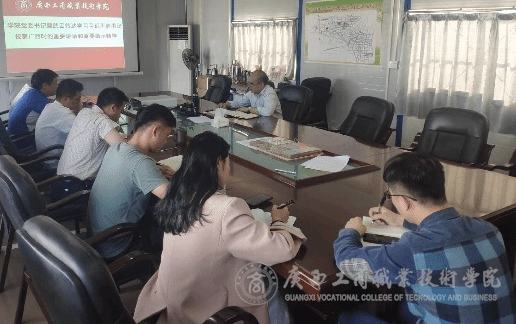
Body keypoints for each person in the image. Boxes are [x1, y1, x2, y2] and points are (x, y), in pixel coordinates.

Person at [134, 131, 306, 324]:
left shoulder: (177, 195)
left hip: (174, 303)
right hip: (203, 313)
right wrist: (279, 222)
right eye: (228, 162)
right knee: (269, 283)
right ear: (218, 163)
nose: (229, 169)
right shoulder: (227, 209)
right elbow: (281, 249)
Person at [333, 153, 516, 324]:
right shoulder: (489, 229)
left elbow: (348, 263)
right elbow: (444, 230)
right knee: (403, 303)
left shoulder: (414, 249)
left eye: (390, 196)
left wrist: (351, 231)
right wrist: (399, 220)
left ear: (403, 202)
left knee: (349, 317)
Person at [87, 104, 177, 260]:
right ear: (155, 130)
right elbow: (175, 198)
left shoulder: (117, 148)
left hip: (97, 238)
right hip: (117, 246)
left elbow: (132, 169)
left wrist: (154, 169)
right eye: (167, 135)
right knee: (175, 217)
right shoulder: (141, 164)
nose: (165, 142)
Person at [56, 87, 128, 183]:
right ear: (113, 108)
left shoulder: (84, 112)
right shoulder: (102, 121)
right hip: (77, 185)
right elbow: (126, 151)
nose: (120, 115)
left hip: (60, 179)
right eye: (121, 111)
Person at [34, 78, 83, 154]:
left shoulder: (51, 106)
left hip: (46, 154)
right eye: (77, 99)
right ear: (66, 99)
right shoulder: (64, 114)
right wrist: (81, 111)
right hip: (55, 158)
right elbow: (85, 133)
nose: (80, 102)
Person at [7, 68, 58, 136]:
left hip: (11, 135)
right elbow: (56, 118)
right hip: (22, 139)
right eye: (55, 83)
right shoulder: (42, 103)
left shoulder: (30, 92)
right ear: (45, 86)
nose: (57, 86)